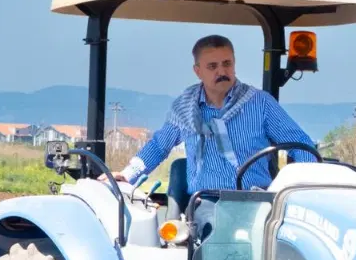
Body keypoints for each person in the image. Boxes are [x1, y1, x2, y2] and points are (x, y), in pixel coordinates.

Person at [110, 34, 318, 195]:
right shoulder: (184, 107)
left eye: (227, 64)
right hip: (205, 201)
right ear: (197, 71)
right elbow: (159, 146)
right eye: (212, 66)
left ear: (234, 64)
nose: (222, 72)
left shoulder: (260, 103)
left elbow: (300, 143)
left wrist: (304, 182)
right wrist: (127, 175)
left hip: (254, 201)